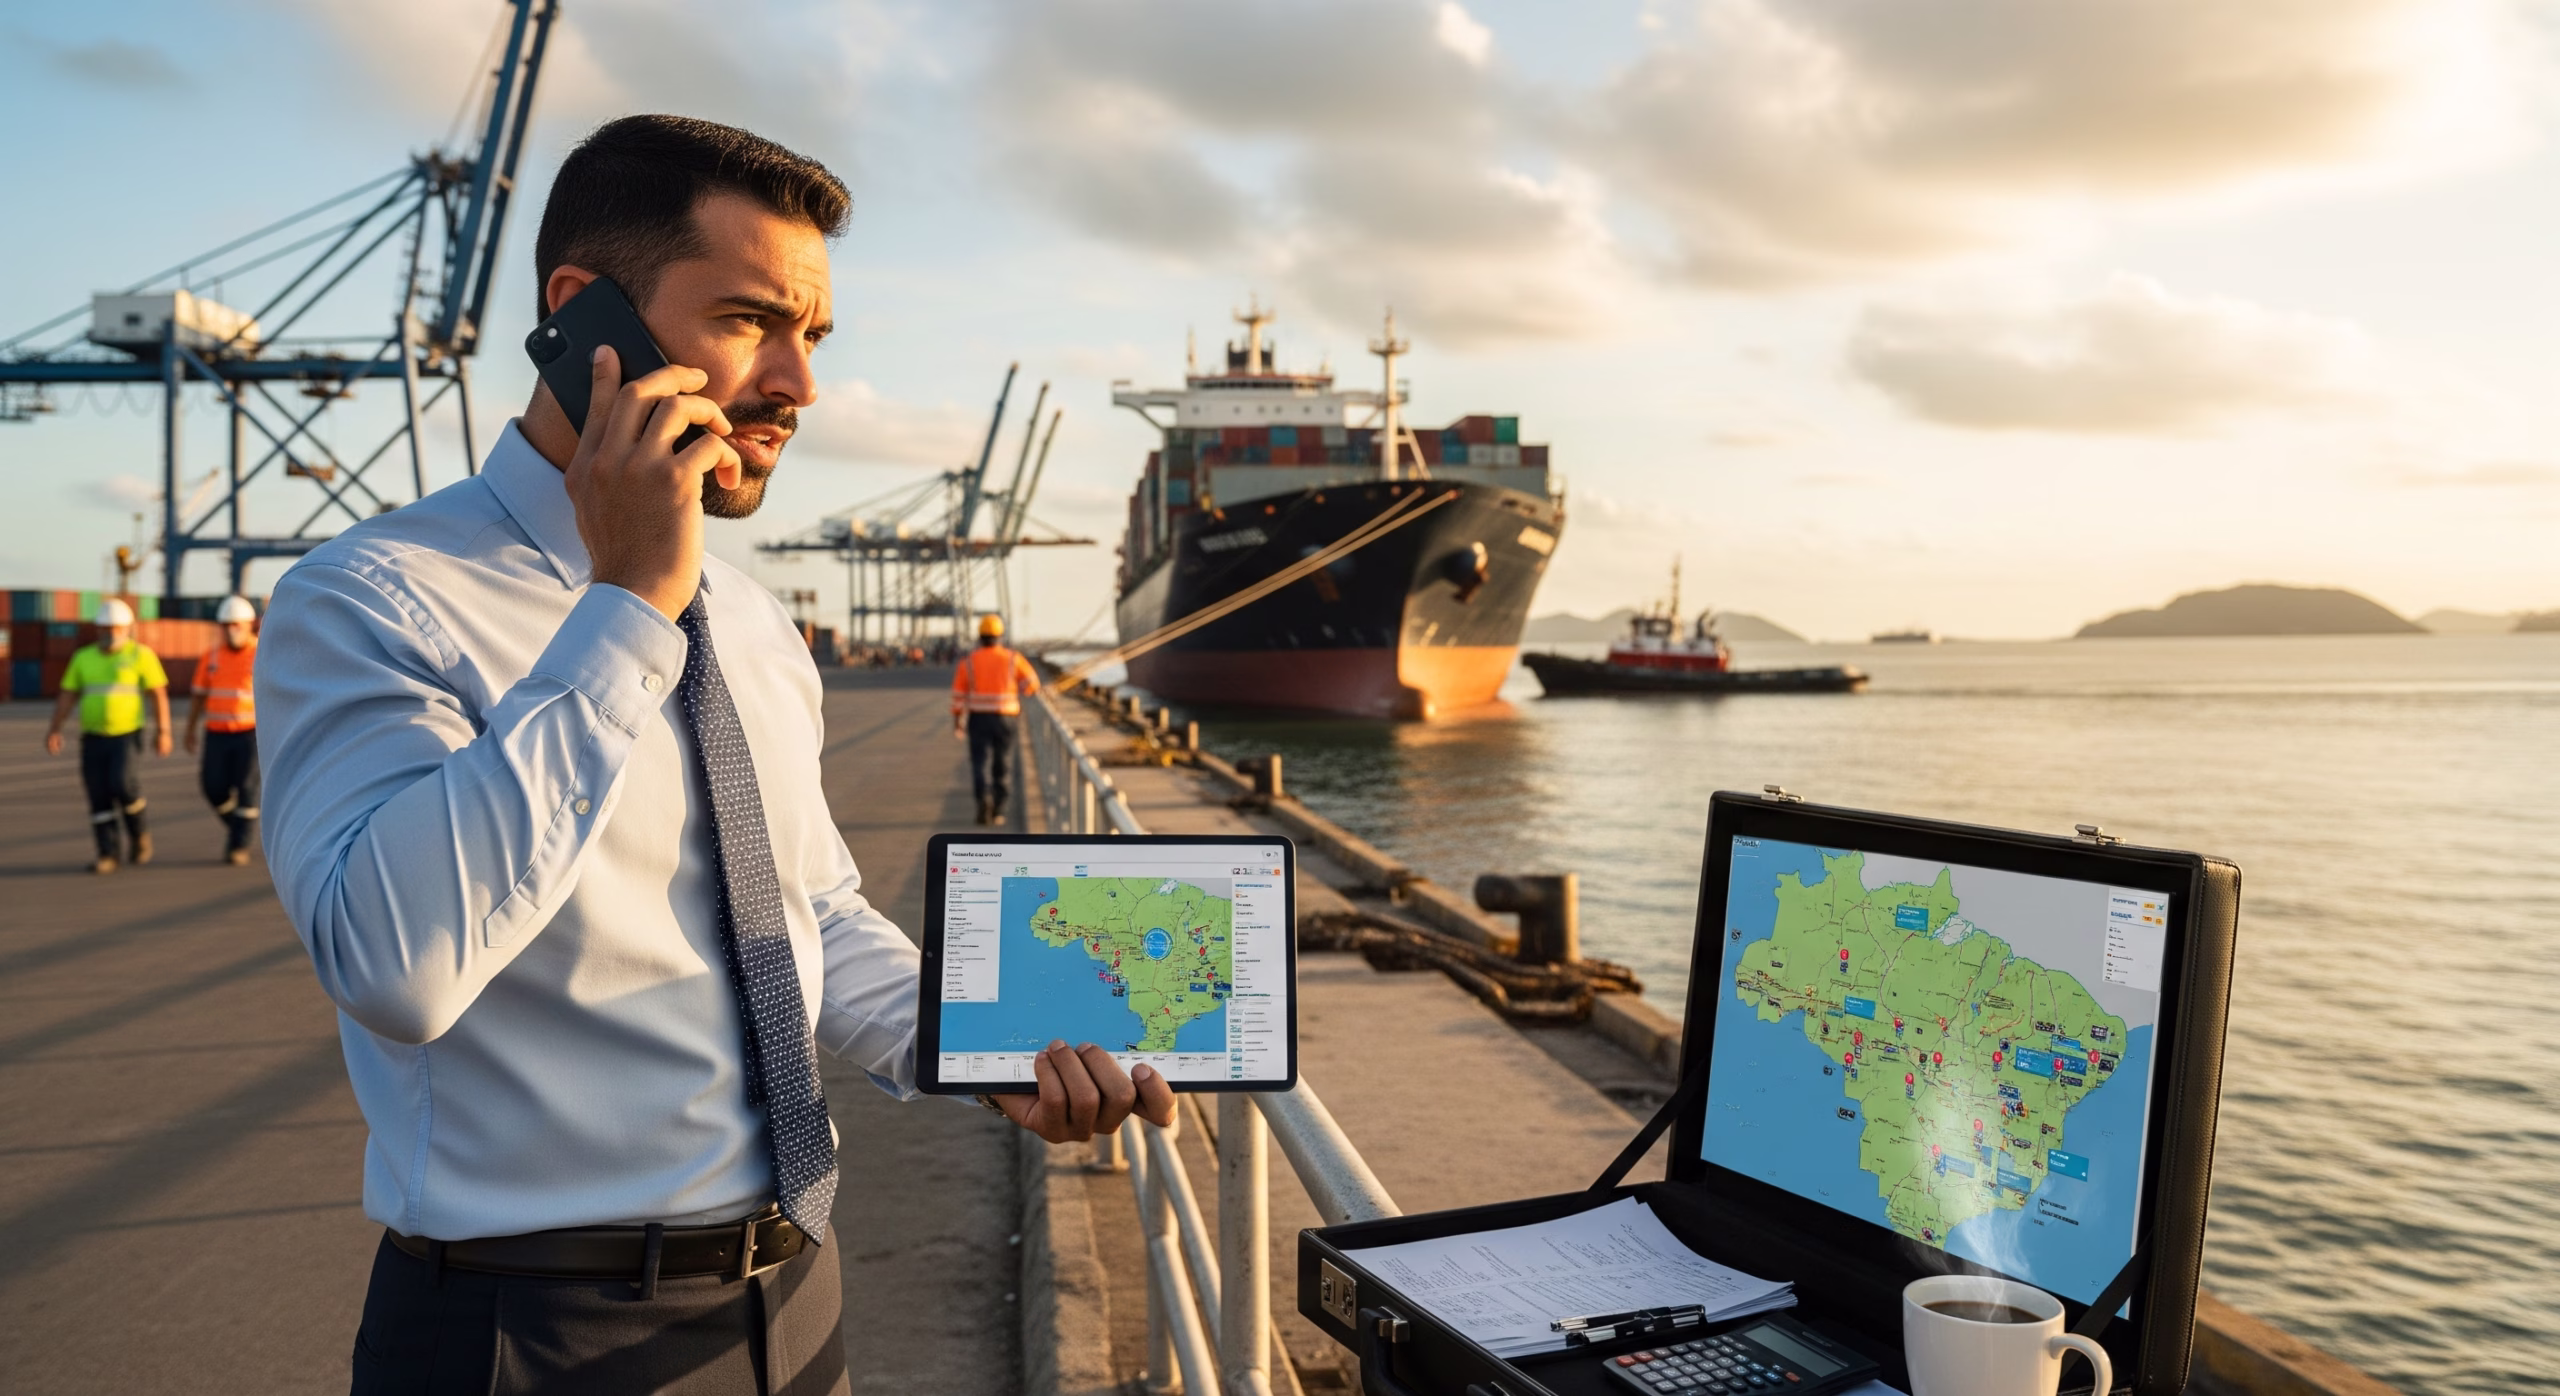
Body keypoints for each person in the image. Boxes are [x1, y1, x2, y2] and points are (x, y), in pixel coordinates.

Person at [256, 115, 1173, 1396]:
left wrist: (985, 1046)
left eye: (815, 338)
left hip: (794, 1294)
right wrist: (625, 602)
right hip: (529, 1332)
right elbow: (392, 963)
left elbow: (805, 912)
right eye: (751, 321)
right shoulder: (373, 600)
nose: (798, 384)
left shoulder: (746, 619)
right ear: (585, 315)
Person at [44, 597, 170, 874]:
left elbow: (157, 694)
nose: (110, 633)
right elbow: (68, 695)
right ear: (97, 630)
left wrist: (164, 732)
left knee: (123, 784)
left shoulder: (141, 656)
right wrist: (55, 729)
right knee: (98, 794)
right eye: (105, 628)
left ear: (128, 629)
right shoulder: (82, 658)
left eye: (116, 628)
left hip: (127, 736)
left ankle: (139, 834)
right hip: (92, 737)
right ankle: (107, 853)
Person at [184, 595, 263, 865]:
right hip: (216, 733)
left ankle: (239, 845)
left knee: (247, 788)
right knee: (213, 787)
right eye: (226, 625)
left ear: (249, 625)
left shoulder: (263, 653)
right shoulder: (212, 656)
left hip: (250, 733)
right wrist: (190, 729)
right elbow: (198, 695)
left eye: (236, 625)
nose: (231, 630)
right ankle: (238, 825)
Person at [951, 613, 1041, 826]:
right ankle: (999, 809)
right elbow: (1032, 684)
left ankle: (983, 800)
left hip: (978, 719)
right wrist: (1019, 690)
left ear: (980, 637)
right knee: (1003, 764)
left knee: (979, 763)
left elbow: (958, 694)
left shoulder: (969, 661)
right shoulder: (1012, 658)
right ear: (1001, 636)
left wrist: (957, 720)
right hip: (1006, 719)